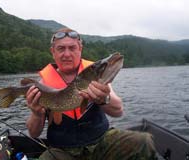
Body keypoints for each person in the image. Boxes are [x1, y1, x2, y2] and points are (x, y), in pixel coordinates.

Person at [26, 28, 157, 160]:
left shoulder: (93, 74)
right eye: (61, 49)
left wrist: (103, 99)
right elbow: (33, 133)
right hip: (62, 151)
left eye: (72, 48)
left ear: (80, 49)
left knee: (143, 142)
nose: (67, 54)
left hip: (101, 142)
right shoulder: (42, 85)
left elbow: (118, 111)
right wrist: (37, 114)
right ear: (53, 52)